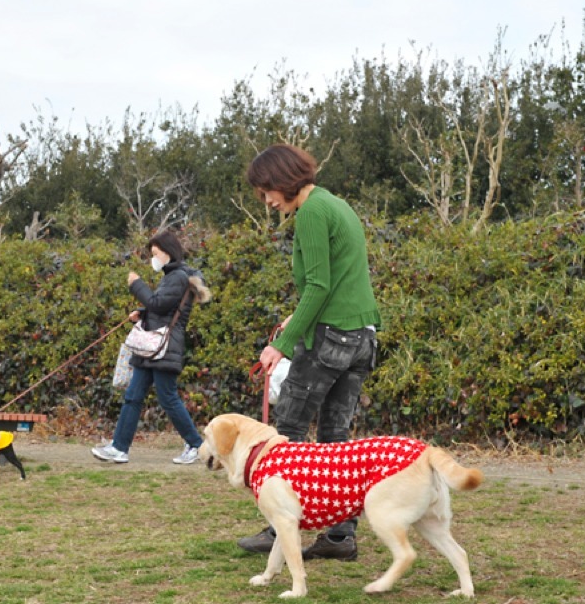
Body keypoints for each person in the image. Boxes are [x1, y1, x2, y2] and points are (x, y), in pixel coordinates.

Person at [237, 143, 382, 562]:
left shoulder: (312, 213)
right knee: (337, 440)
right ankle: (340, 537)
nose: (266, 201)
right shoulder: (337, 205)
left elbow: (318, 286)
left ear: (282, 180)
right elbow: (336, 284)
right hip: (361, 337)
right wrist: (294, 320)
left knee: (287, 432)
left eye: (266, 190)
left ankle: (279, 528)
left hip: (330, 339)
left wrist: (280, 346)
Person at [92, 230, 211, 465]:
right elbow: (162, 309)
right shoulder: (174, 276)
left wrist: (136, 285)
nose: (153, 259)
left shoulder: (177, 276)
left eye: (155, 254)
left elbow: (158, 304)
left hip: (163, 347)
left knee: (167, 397)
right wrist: (143, 314)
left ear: (167, 252)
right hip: (154, 347)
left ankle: (196, 445)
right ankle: (119, 448)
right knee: (133, 396)